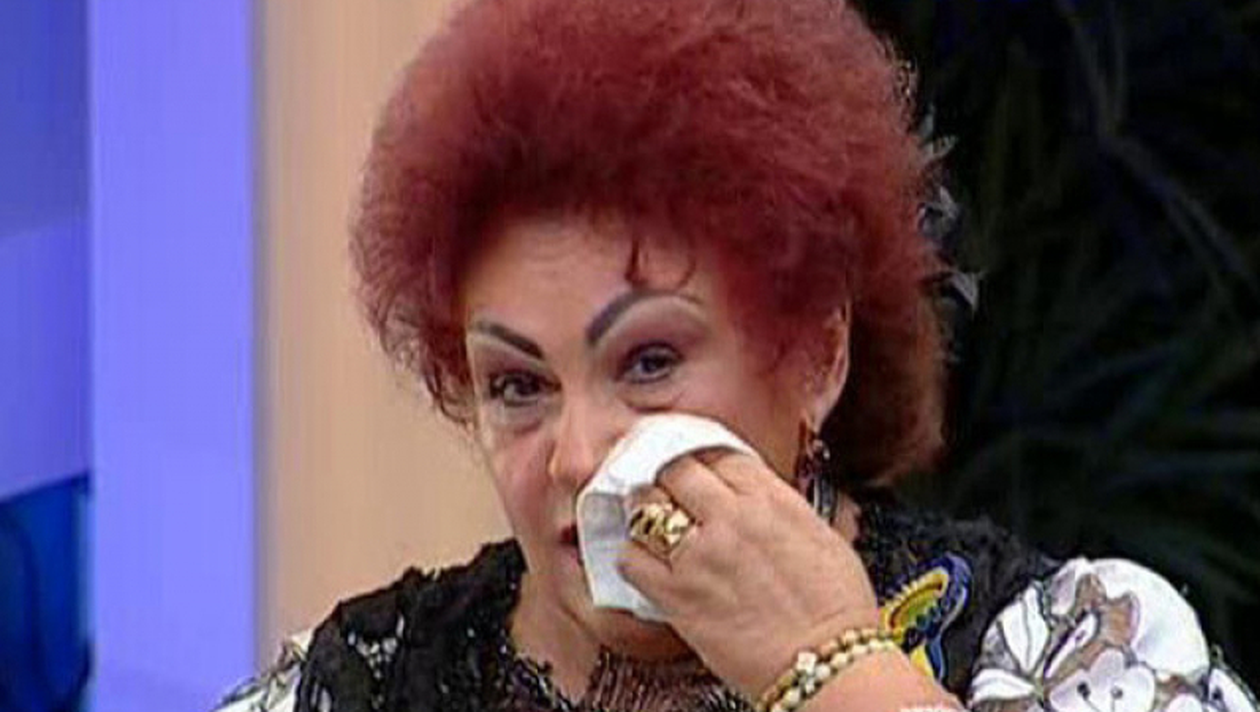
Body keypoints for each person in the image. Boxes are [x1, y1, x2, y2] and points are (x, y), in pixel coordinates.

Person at [216, 0, 1257, 710]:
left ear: (817, 356)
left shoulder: (1072, 645)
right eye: (519, 385)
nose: (579, 456)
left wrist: (834, 670)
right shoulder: (355, 683)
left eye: (649, 362)